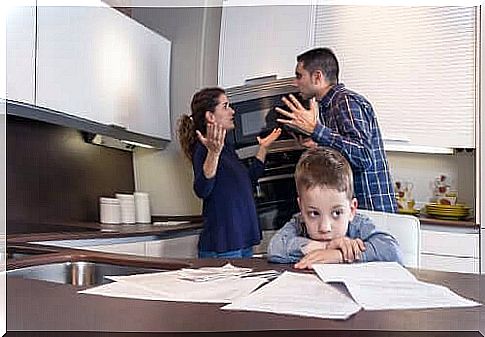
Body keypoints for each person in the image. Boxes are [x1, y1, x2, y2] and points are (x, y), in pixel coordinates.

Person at [276, 47, 396, 213]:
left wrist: (315, 129)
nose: (294, 83)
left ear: (317, 76)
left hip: (371, 211)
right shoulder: (328, 106)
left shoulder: (345, 101)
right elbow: (347, 154)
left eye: (299, 76)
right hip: (356, 211)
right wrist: (318, 146)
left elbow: (363, 157)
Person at [178, 87, 281, 258]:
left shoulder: (227, 149)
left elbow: (248, 181)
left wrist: (263, 147)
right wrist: (213, 153)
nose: (232, 111)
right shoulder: (204, 148)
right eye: (225, 106)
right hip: (224, 243)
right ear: (210, 116)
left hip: (241, 239)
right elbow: (202, 189)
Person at [267, 147, 402, 269]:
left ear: (352, 210)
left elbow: (392, 251)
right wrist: (325, 247)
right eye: (314, 213)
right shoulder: (298, 223)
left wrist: (339, 254)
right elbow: (275, 248)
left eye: (337, 213)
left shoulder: (358, 224)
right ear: (301, 208)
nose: (325, 228)